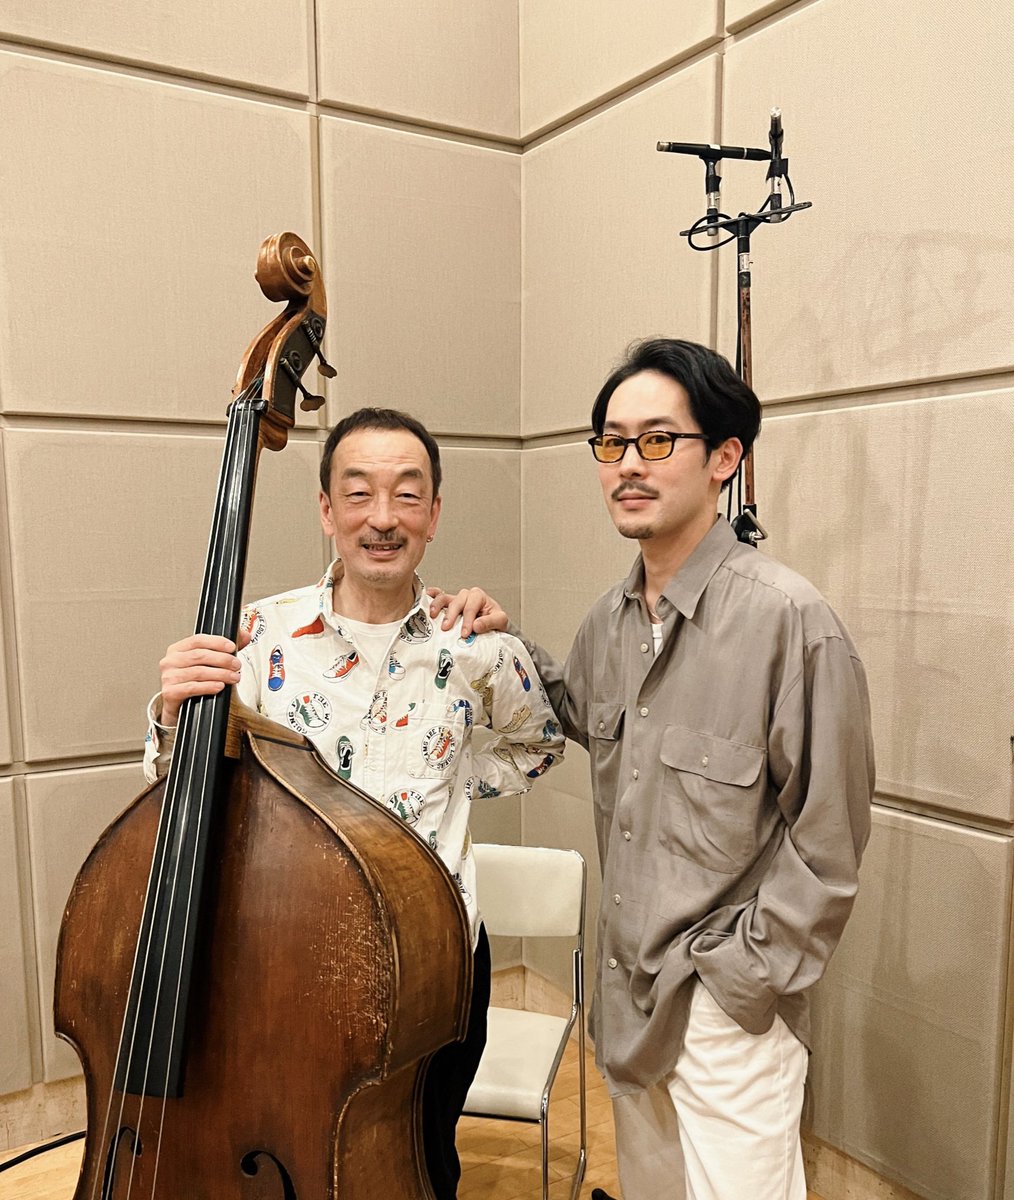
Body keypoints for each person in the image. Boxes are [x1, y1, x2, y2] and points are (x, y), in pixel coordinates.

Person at [432, 339, 875, 1200]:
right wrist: (503, 638)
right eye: (612, 442)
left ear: (724, 458)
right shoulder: (610, 623)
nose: (628, 464)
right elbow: (578, 712)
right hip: (628, 999)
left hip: (726, 1015)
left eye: (658, 439)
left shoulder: (791, 622)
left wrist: (737, 982)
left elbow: (829, 843)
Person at [143, 407, 565, 1200]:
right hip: (284, 953)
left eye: (407, 494)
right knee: (285, 1141)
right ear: (327, 510)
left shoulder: (480, 648)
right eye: (359, 492)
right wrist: (172, 714)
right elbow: (181, 783)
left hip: (434, 957)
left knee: (424, 1159)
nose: (383, 518)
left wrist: (449, 777)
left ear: (434, 513)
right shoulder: (256, 637)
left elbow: (538, 744)